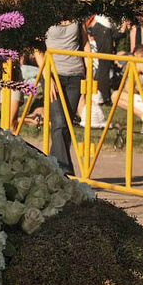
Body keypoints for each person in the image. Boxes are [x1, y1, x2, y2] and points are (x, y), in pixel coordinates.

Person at [36, 20, 87, 176]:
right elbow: (37, 48)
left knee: (66, 126)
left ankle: (50, 169)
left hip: (76, 75)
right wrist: (47, 75)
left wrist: (90, 73)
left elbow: (85, 44)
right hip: (53, 75)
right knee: (59, 123)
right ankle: (65, 172)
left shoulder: (79, 17)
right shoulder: (46, 15)